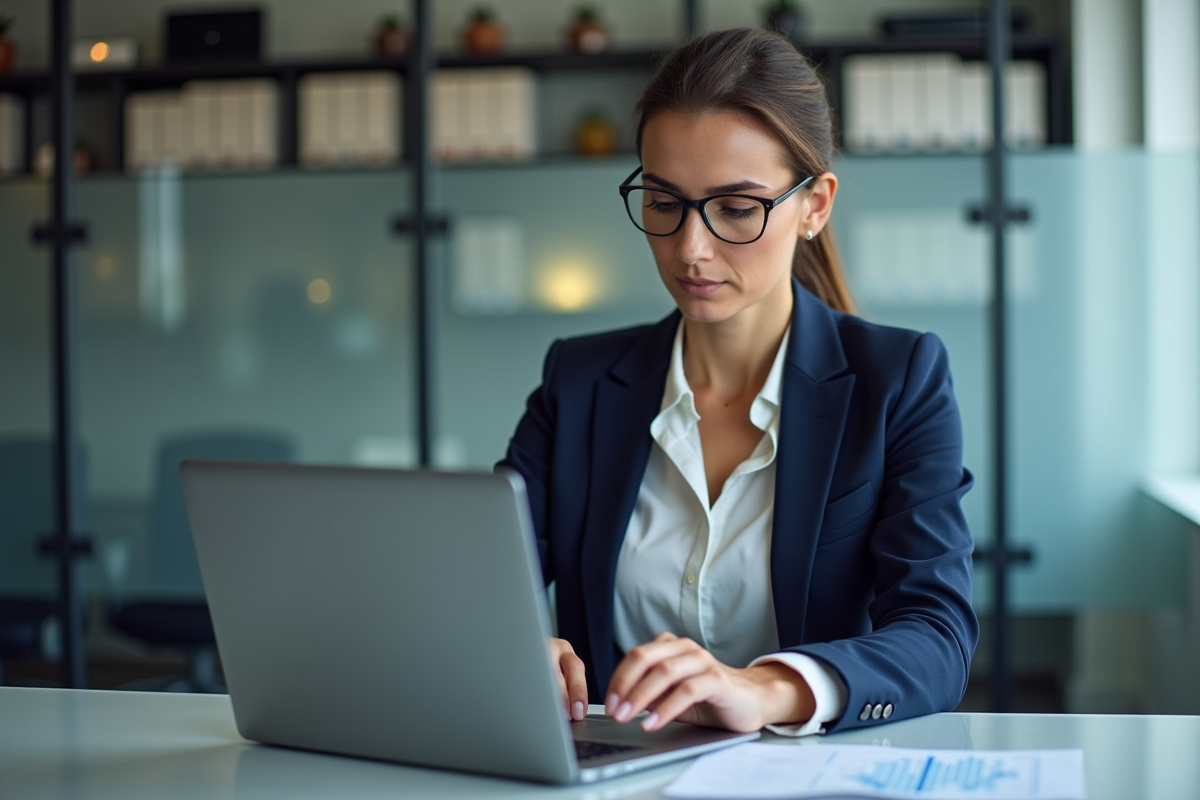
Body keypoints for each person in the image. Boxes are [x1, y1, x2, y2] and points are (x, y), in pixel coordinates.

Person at [498, 27, 977, 737]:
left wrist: (767, 689)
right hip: (614, 773)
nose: (691, 248)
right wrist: (514, 650)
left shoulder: (898, 380)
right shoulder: (579, 381)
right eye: (664, 202)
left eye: (736, 208)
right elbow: (477, 586)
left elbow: (937, 637)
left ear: (814, 206)